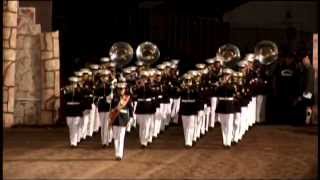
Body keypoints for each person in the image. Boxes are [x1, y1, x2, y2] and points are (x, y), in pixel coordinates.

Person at [109, 80, 131, 160]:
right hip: (115, 119)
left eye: (122, 89)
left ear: (125, 89)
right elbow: (111, 108)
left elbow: (130, 109)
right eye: (119, 89)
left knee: (121, 137)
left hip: (123, 119)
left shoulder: (127, 98)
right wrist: (110, 98)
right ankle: (116, 153)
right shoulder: (114, 97)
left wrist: (130, 119)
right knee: (115, 137)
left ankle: (119, 154)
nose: (121, 90)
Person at [63, 76, 83, 147]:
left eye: (74, 83)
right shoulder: (67, 90)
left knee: (75, 125)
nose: (73, 84)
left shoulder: (79, 90)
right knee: (70, 126)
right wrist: (67, 91)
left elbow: (81, 99)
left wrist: (77, 91)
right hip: (69, 110)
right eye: (72, 83)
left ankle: (73, 142)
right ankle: (73, 140)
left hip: (76, 110)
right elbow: (65, 99)